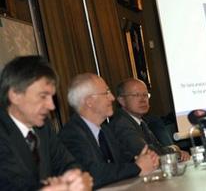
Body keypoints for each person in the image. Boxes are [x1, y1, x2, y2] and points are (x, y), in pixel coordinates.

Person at [0, 55, 93, 190]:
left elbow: (68, 164)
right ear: (15, 95)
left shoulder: (43, 128)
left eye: (52, 97)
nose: (51, 106)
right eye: (43, 96)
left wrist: (76, 178)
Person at [59, 73, 159, 189]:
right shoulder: (71, 134)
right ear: (89, 101)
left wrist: (145, 159)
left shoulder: (105, 130)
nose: (112, 97)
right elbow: (92, 173)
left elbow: (122, 158)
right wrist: (137, 167)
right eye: (106, 93)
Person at [110, 78, 190, 161]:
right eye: (136, 95)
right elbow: (148, 153)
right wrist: (174, 150)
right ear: (121, 100)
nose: (143, 100)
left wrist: (176, 153)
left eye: (145, 95)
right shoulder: (121, 123)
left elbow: (158, 148)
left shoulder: (139, 121)